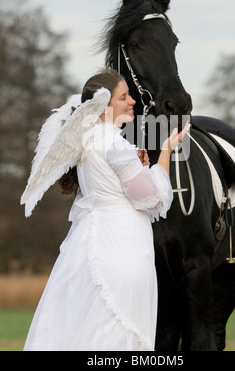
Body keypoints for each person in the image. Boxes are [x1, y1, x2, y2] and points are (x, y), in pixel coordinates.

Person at [21, 68, 189, 351]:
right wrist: (166, 152)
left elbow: (108, 187)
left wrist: (140, 166)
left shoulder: (88, 140)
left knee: (90, 326)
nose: (132, 101)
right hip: (121, 247)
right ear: (103, 107)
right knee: (117, 331)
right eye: (124, 97)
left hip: (90, 244)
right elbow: (151, 200)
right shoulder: (114, 143)